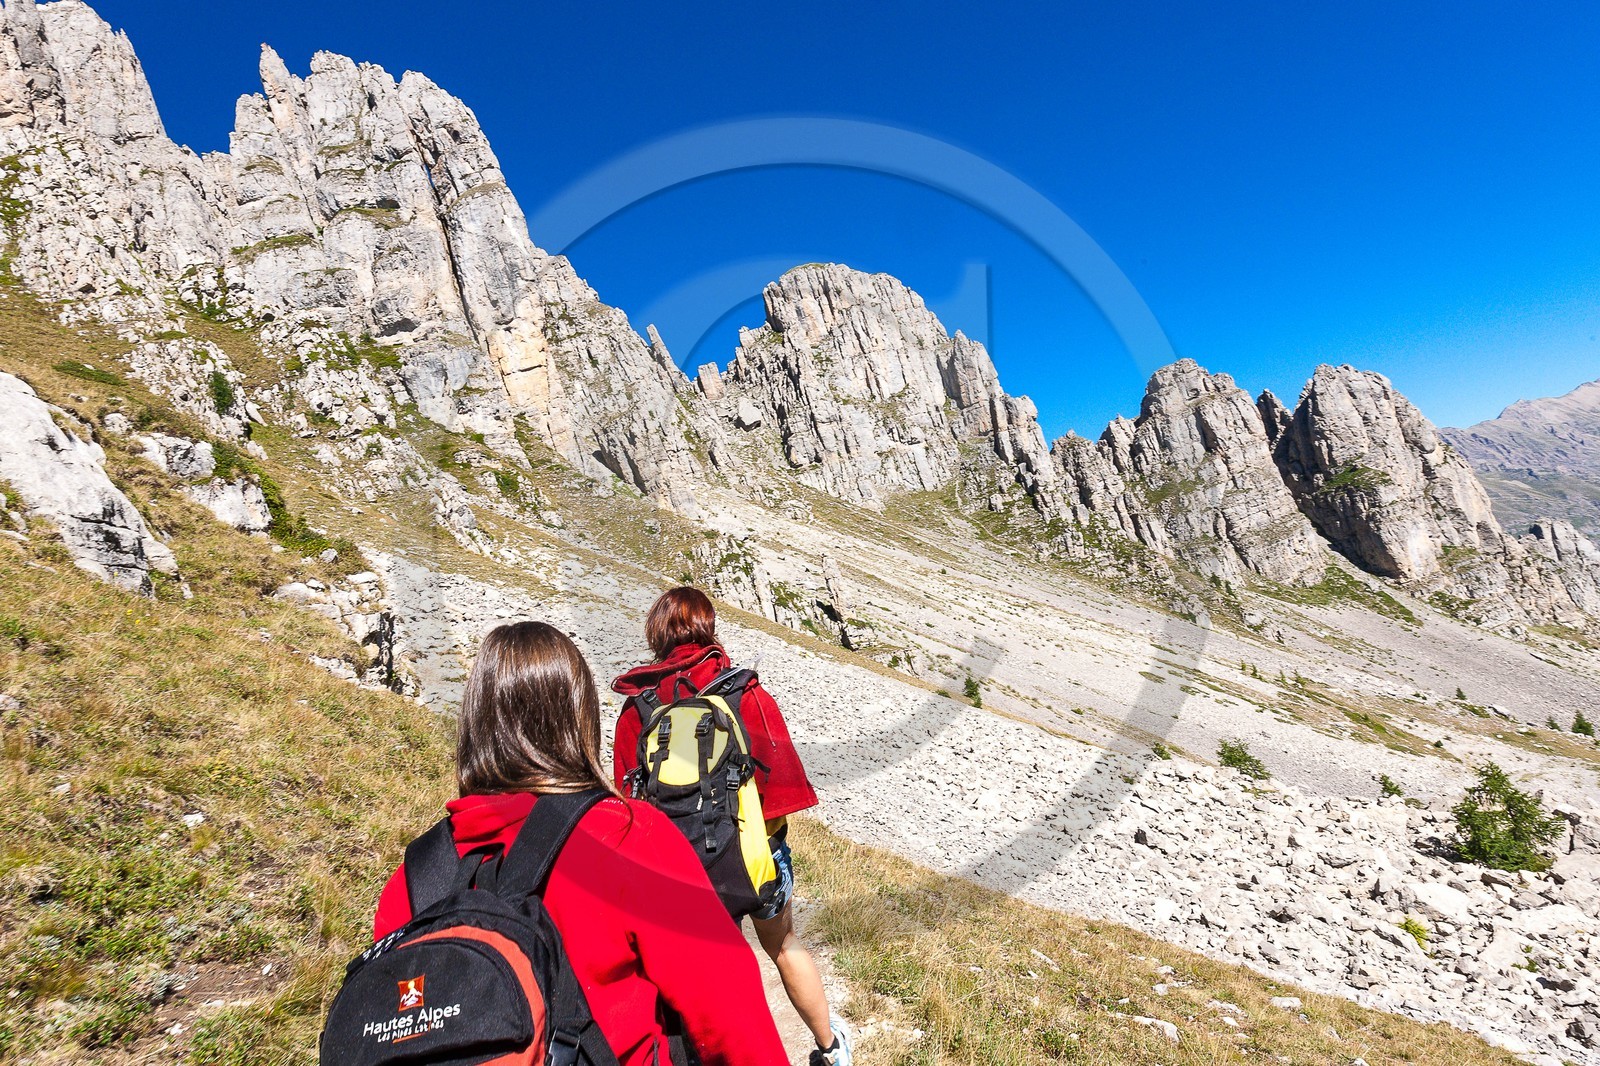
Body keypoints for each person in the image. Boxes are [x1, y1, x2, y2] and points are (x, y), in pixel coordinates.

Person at [373, 621, 787, 1066]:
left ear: (475, 725)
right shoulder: (628, 837)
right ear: (580, 718)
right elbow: (728, 1006)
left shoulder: (415, 876)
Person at [613, 587, 853, 1066]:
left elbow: (628, 805)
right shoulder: (745, 692)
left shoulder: (637, 711)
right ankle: (831, 1047)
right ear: (709, 627)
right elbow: (782, 794)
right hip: (752, 857)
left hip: (676, 872)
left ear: (655, 636)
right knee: (783, 945)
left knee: (692, 975)